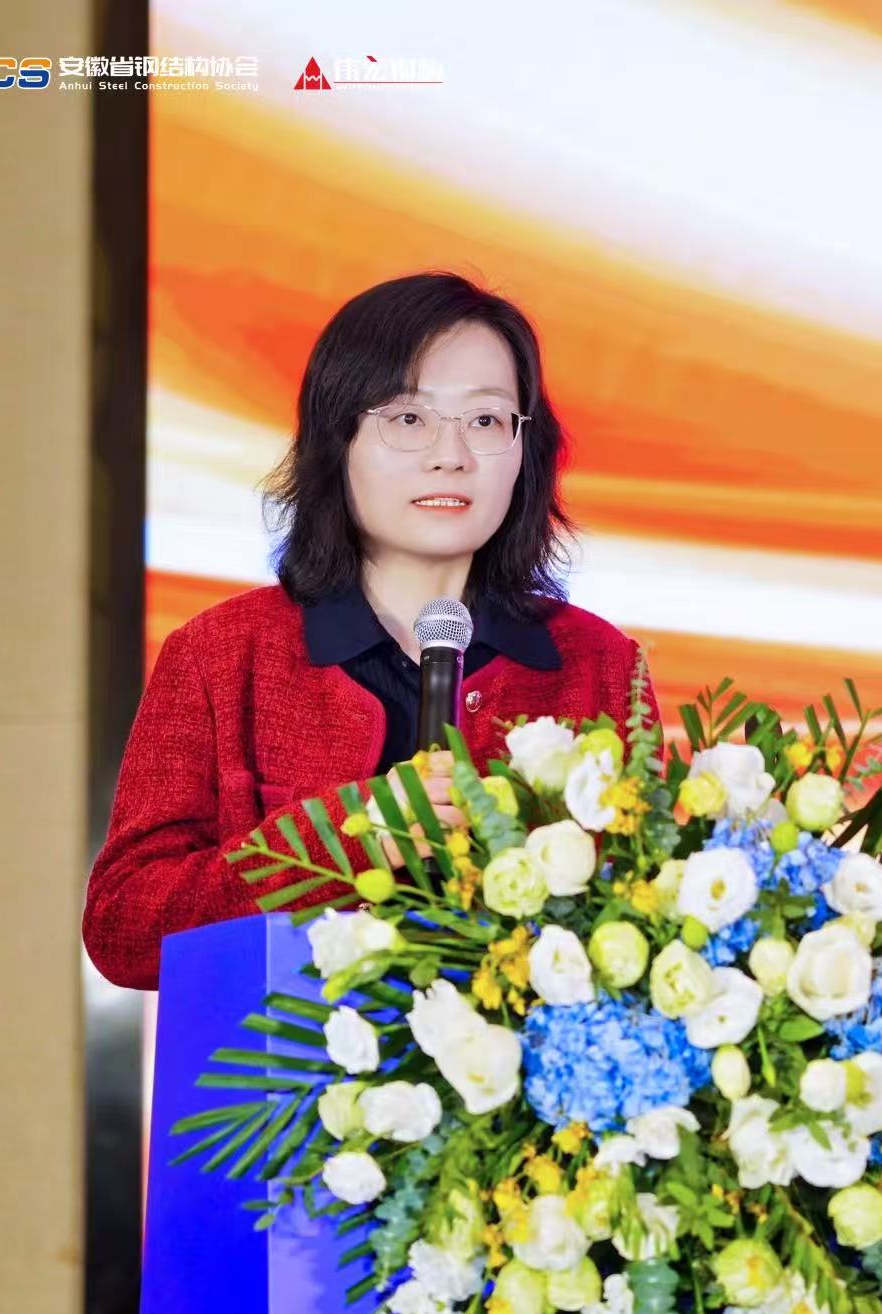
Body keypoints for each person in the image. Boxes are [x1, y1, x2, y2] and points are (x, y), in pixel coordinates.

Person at [82, 271, 662, 989]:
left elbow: (651, 918)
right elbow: (124, 930)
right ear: (338, 439)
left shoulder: (599, 664)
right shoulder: (222, 656)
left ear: (525, 448)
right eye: (409, 418)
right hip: (286, 1064)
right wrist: (349, 836)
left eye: (486, 420)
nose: (451, 454)